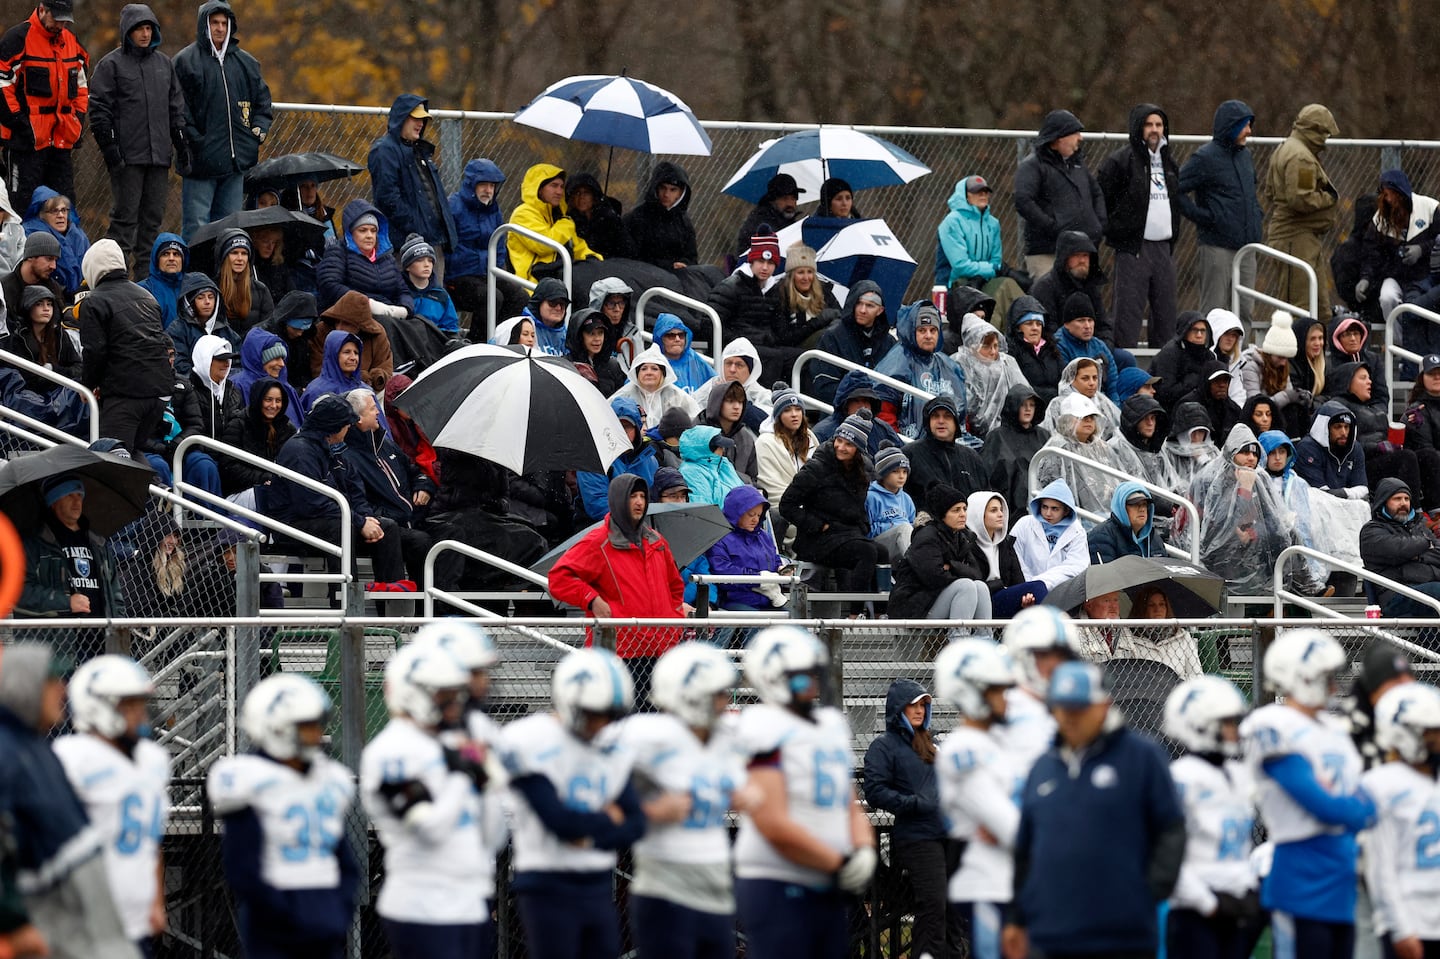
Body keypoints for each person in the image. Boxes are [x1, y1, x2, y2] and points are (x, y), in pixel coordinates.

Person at [1003, 659, 1185, 959]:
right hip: (1050, 934)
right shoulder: (1043, 767)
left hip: (1121, 936)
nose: (1069, 717)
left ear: (1103, 706)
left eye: (1079, 708)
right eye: (1062, 708)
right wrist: (1016, 918)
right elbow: (1026, 851)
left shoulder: (1142, 757)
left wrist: (1145, 893)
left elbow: (1171, 829)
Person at [499, 648, 672, 959]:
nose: (601, 724)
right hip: (546, 882)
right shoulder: (530, 739)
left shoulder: (612, 744)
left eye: (610, 714)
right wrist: (609, 819)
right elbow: (561, 824)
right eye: (595, 713)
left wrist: (591, 829)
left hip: (596, 882)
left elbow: (635, 823)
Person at [733, 626, 877, 958]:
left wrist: (863, 846)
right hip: (777, 879)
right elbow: (773, 823)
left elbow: (848, 799)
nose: (812, 679)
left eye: (814, 670)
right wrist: (837, 862)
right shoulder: (762, 725)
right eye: (802, 673)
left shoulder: (829, 723)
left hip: (824, 878)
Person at [1240, 629, 1376, 959]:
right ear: (1300, 676)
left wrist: (1352, 805)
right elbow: (1325, 805)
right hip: (1301, 872)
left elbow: (1367, 803)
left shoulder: (1335, 729)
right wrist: (1353, 807)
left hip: (1342, 872)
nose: (1333, 686)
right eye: (1325, 677)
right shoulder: (1271, 723)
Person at [0, 643, 139, 959]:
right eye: (51, 681)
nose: (62, 690)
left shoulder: (36, 746)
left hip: (83, 927)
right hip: (56, 928)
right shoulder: (7, 752)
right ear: (24, 687)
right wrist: (15, 922)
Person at [208, 674, 358, 959]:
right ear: (277, 728)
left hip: (323, 906)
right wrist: (282, 913)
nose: (317, 735)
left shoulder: (330, 777)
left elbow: (344, 857)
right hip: (275, 914)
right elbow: (242, 867)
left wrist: (339, 907)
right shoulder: (246, 778)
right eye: (307, 727)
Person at [359, 642, 494, 959]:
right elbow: (429, 827)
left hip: (468, 898)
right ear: (412, 692)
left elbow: (490, 823)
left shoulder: (449, 741)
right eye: (443, 693)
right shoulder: (390, 753)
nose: (454, 702)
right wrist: (464, 776)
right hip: (423, 904)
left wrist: (485, 780)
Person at [616, 644, 747, 959]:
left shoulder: (725, 736)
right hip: (666, 888)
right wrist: (649, 809)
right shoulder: (645, 736)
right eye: (717, 693)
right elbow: (602, 798)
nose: (725, 700)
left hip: (714, 887)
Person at [51, 656, 169, 957]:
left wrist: (156, 900)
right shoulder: (71, 758)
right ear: (97, 706)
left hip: (134, 922)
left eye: (139, 704)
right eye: (128, 705)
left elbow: (150, 842)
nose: (139, 714)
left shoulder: (152, 759)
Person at [547, 474, 688, 696]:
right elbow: (559, 578)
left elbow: (675, 587)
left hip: (660, 651)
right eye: (633, 496)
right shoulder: (597, 541)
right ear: (618, 499)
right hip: (620, 654)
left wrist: (673, 626)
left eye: (643, 496)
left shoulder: (657, 541)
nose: (640, 502)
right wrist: (591, 599)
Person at [933, 639, 1025, 959]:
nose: (1007, 699)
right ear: (973, 692)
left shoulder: (992, 743)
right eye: (998, 690)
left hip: (1007, 880)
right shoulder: (965, 749)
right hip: (986, 882)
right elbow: (1009, 826)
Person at [1162, 675, 1263, 959]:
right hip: (1195, 910)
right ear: (1201, 724)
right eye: (1228, 723)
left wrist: (1248, 887)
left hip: (1235, 905)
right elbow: (1167, 857)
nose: (1236, 731)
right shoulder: (1181, 777)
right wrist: (1208, 903)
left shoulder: (1237, 774)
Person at [864, 678, 963, 959]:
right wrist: (914, 803)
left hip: (948, 833)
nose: (919, 711)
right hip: (917, 837)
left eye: (923, 705)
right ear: (899, 709)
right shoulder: (883, 747)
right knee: (933, 903)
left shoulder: (930, 744)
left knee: (954, 906)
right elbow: (875, 791)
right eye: (913, 705)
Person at [269, 394, 410, 588]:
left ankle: (390, 601)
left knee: (385, 527)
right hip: (292, 526)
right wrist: (359, 521)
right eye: (346, 424)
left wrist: (367, 518)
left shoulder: (328, 448)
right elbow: (312, 504)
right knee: (342, 527)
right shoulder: (299, 451)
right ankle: (348, 599)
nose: (349, 428)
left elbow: (354, 491)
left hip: (328, 518)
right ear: (333, 426)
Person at [88, 3, 185, 278]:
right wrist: (111, 150)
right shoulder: (111, 64)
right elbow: (99, 111)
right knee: (123, 222)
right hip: (127, 159)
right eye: (138, 29)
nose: (144, 34)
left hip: (158, 159)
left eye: (148, 28)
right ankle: (112, 278)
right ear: (126, 32)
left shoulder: (164, 65)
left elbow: (176, 108)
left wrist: (181, 145)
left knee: (152, 223)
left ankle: (145, 282)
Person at [172, 0, 271, 239]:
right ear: (204, 25)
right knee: (196, 230)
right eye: (214, 22)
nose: (219, 28)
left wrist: (257, 131)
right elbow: (177, 108)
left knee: (229, 230)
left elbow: (262, 100)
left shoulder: (245, 62)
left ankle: (222, 278)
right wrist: (197, 142)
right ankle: (196, 277)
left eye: (224, 23)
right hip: (200, 164)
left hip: (235, 164)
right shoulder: (186, 61)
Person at [1363, 683, 1440, 959]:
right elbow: (1381, 866)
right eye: (1430, 732)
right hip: (1411, 918)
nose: (1437, 739)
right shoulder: (1382, 785)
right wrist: (1400, 927)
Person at [78, 239, 172, 457]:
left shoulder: (94, 301)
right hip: (158, 393)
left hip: (126, 394)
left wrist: (88, 385)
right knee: (131, 452)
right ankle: (158, 488)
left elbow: (95, 350)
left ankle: (155, 487)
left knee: (112, 458)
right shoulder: (146, 296)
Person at [1098, 103, 1181, 348]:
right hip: (1134, 248)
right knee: (1128, 310)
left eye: (1159, 124)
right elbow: (1101, 198)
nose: (1154, 130)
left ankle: (1164, 367)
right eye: (1148, 124)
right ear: (1138, 127)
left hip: (1164, 247)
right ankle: (1125, 364)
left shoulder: (1169, 162)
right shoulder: (1121, 161)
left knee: (1166, 310)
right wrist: (1117, 230)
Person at [779, 411, 880, 615]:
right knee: (866, 552)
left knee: (882, 552)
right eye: (839, 440)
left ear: (858, 449)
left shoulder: (862, 471)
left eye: (848, 444)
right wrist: (817, 525)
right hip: (816, 539)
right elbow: (786, 505)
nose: (841, 447)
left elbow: (858, 509)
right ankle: (854, 615)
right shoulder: (817, 468)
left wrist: (862, 528)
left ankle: (880, 612)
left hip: (846, 535)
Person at [1177, 100, 1262, 323]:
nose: (1249, 131)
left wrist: (1257, 215)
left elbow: (1251, 193)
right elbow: (1175, 189)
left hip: (1247, 247)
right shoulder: (1204, 158)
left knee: (1244, 310)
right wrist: (1205, 218)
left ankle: (1240, 357)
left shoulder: (1246, 155)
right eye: (1244, 125)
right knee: (1214, 311)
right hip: (1217, 247)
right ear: (1231, 126)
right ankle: (1209, 357)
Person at [0, 0, 88, 213]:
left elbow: (82, 87)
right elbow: (3, 84)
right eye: (56, 18)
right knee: (21, 205)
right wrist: (21, 124)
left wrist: (76, 120)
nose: (60, 25)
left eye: (64, 20)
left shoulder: (72, 42)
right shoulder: (17, 39)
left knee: (64, 205)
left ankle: (67, 246)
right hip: (25, 144)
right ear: (42, 10)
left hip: (60, 141)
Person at [342, 388, 435, 583]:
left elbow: (415, 471)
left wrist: (423, 486)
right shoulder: (348, 456)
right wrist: (392, 515)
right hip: (383, 526)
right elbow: (359, 501)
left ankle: (435, 608)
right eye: (372, 408)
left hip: (412, 519)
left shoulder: (386, 444)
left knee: (448, 533)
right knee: (420, 541)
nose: (378, 412)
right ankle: (401, 605)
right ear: (358, 418)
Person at [367, 95, 457, 280]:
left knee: (433, 300)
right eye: (415, 118)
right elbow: (387, 198)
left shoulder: (419, 151)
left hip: (432, 241)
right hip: (406, 245)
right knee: (411, 301)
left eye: (423, 119)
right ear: (401, 117)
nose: (421, 124)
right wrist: (415, 229)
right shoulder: (385, 150)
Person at [888, 483, 993, 637]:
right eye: (956, 510)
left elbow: (977, 573)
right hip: (914, 607)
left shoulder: (960, 536)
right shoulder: (927, 536)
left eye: (964, 508)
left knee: (980, 587)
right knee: (966, 585)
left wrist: (950, 566)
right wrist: (959, 570)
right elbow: (934, 578)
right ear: (942, 514)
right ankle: (959, 640)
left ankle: (985, 639)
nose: (963, 514)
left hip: (935, 599)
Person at [1265, 104, 1340, 317]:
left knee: (1320, 308)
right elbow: (1300, 199)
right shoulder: (1301, 157)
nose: (1325, 140)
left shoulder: (1286, 147)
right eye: (1324, 134)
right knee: (1297, 308)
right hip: (1294, 239)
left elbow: (1271, 193)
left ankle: (1317, 349)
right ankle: (1294, 350)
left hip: (1302, 239)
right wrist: (1328, 198)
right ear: (1314, 131)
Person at [1013, 110, 1106, 280]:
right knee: (1048, 303)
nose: (1080, 138)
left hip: (1081, 252)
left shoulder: (1077, 165)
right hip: (1047, 253)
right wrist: (1053, 228)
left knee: (1082, 303)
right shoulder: (1033, 165)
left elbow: (1096, 193)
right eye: (1075, 133)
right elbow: (1023, 200)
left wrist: (1098, 225)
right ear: (1059, 137)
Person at [1328, 361, 1422, 500]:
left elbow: (1389, 439)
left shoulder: (1373, 407)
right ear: (1347, 381)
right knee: (1406, 457)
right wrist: (1376, 447)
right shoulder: (1338, 407)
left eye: (1369, 378)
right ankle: (1414, 509)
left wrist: (1407, 422)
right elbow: (1342, 443)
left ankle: (1429, 509)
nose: (1369, 382)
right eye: (1363, 378)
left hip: (1381, 461)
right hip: (1359, 467)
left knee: (1423, 455)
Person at [876, 300, 970, 441]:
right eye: (922, 330)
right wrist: (897, 444)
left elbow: (962, 412)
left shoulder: (950, 365)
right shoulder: (897, 362)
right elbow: (884, 412)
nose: (928, 335)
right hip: (908, 446)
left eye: (933, 330)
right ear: (912, 332)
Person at [1357, 169, 1440, 322]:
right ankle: (1395, 343)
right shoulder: (1380, 220)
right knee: (1388, 298)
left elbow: (1438, 239)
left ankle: (1416, 344)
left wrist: (1421, 249)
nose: (1387, 200)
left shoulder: (1430, 208)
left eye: (1389, 194)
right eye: (1384, 195)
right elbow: (1371, 254)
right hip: (1396, 276)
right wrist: (1365, 278)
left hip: (1426, 277)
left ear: (1399, 192)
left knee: (1422, 305)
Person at [1034, 392, 1126, 517]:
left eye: (1092, 417)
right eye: (1082, 417)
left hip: (1108, 512)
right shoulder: (1057, 449)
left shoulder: (1102, 447)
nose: (1089, 420)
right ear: (1066, 420)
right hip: (1075, 516)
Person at [506, 163, 601, 283]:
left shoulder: (557, 216)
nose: (559, 192)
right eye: (554, 186)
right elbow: (544, 245)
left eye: (562, 187)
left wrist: (593, 259)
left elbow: (576, 246)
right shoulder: (523, 213)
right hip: (533, 282)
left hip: (558, 277)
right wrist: (566, 224)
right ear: (539, 189)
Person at [317, 199, 413, 317]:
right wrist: (367, 304)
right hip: (352, 315)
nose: (369, 235)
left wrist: (404, 309)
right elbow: (329, 284)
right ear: (351, 233)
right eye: (363, 230)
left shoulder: (388, 259)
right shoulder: (338, 252)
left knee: (422, 326)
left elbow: (403, 291)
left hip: (389, 314)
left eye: (373, 231)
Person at [1361, 478, 1440, 617]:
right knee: (1436, 590)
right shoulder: (1371, 531)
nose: (1403, 503)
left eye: (1406, 499)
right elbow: (1396, 550)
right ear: (1384, 501)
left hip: (1425, 594)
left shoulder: (1419, 527)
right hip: (1395, 597)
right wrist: (1426, 544)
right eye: (1397, 499)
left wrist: (1417, 555)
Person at [808, 280, 895, 405]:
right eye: (859, 303)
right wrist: (856, 401)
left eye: (870, 305)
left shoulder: (889, 343)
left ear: (880, 310)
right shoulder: (832, 337)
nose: (863, 310)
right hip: (839, 411)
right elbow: (823, 384)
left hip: (879, 413)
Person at [707, 484, 788, 610]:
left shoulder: (763, 536)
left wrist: (780, 568)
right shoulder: (720, 538)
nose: (755, 520)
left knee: (793, 625)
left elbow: (774, 558)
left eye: (759, 515)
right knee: (756, 626)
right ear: (737, 512)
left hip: (768, 601)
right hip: (736, 600)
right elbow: (722, 570)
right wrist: (757, 579)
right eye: (751, 514)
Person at [763, 243, 838, 375]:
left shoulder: (824, 291)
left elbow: (840, 314)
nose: (806, 278)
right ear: (791, 275)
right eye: (800, 272)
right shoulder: (780, 295)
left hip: (825, 346)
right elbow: (783, 337)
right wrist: (817, 322)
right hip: (795, 350)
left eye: (810, 272)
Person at [444, 158, 507, 315]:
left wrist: (496, 270)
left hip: (487, 273)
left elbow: (500, 247)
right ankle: (477, 339)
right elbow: (444, 246)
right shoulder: (454, 206)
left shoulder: (494, 210)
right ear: (472, 185)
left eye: (492, 186)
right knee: (491, 298)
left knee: (518, 296)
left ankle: (503, 338)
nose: (488, 190)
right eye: (483, 184)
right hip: (459, 276)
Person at [1009, 478, 1089, 594]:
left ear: (1066, 511)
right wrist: (1028, 587)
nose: (1048, 513)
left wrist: (1040, 584)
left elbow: (1075, 567)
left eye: (1054, 509)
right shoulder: (1024, 524)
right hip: (1023, 589)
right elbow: (1014, 557)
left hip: (1061, 594)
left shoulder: (1077, 532)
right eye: (1044, 507)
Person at [902, 393, 987, 501]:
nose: (941, 421)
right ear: (928, 422)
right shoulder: (909, 454)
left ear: (955, 422)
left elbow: (984, 498)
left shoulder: (972, 457)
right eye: (935, 416)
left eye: (947, 416)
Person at [1029, 230, 1110, 343]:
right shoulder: (1045, 288)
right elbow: (1048, 330)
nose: (1082, 260)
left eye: (1085, 255)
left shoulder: (1092, 287)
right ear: (1064, 258)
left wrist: (1103, 349)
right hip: (1059, 350)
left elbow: (1104, 327)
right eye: (1076, 255)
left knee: (1125, 358)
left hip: (1093, 348)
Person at [955, 314, 1026, 438]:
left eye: (996, 346)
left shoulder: (1007, 363)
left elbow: (1024, 394)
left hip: (1008, 432)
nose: (993, 352)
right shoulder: (960, 364)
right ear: (972, 346)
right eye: (986, 346)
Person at [708, 229, 781, 349]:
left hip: (763, 346)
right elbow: (709, 325)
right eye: (761, 261)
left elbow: (778, 329)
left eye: (770, 263)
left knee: (799, 358)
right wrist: (740, 342)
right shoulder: (730, 287)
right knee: (773, 357)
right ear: (751, 261)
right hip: (734, 349)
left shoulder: (774, 291)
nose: (765, 267)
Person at [0, 283, 79, 391]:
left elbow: (78, 367)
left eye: (50, 304)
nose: (46, 309)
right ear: (28, 306)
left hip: (63, 395)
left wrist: (53, 370)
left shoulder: (60, 335)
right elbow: (27, 377)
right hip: (30, 399)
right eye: (39, 304)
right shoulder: (18, 338)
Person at [623, 161, 698, 271]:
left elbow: (692, 257)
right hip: (643, 278)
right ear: (656, 188)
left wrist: (684, 264)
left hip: (678, 278)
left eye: (673, 190)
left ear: (681, 193)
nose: (666, 194)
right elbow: (631, 258)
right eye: (663, 188)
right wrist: (668, 266)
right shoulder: (637, 218)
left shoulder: (683, 222)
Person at [312, 291, 394, 393]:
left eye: (346, 323)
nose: (339, 327)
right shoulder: (322, 331)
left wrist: (377, 377)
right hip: (329, 390)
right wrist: (357, 377)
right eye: (337, 321)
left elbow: (385, 366)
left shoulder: (377, 334)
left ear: (360, 326)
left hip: (371, 392)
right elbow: (318, 369)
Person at [814, 370, 906, 457]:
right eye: (857, 401)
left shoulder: (883, 429)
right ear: (845, 405)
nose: (863, 406)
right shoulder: (822, 433)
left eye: (866, 400)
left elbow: (902, 459)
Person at [756, 382, 816, 512]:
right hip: (782, 508)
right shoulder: (765, 442)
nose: (794, 414)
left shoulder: (810, 437)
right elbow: (771, 487)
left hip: (812, 505)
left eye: (798, 409)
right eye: (787, 410)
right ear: (778, 416)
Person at [1233, 314, 1305, 419]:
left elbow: (1288, 393)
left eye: (1286, 358)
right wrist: (1287, 396)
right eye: (1280, 357)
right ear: (1269, 353)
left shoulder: (1281, 366)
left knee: (1294, 407)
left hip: (1274, 417)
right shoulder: (1250, 366)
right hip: (1256, 419)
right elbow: (1256, 404)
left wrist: (1300, 396)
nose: (1283, 363)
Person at [1052, 292, 1121, 402]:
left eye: (1090, 320)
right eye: (1081, 321)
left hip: (1102, 402)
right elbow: (1067, 387)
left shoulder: (1100, 346)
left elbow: (1113, 385)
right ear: (1067, 324)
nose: (1087, 326)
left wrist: (1115, 410)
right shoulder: (1057, 346)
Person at [1294, 400, 1368, 501]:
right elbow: (1320, 495)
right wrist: (1349, 493)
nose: (1344, 433)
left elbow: (1363, 489)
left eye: (1346, 427)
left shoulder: (1355, 448)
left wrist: (1342, 494)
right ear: (1324, 428)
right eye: (1337, 427)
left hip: (1349, 509)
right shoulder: (1307, 449)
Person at [21, 187, 86, 297]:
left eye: (64, 210)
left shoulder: (79, 236)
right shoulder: (32, 234)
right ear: (41, 215)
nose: (60, 215)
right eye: (54, 211)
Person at [611, 344, 699, 424]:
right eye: (644, 369)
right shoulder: (625, 395)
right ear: (637, 373)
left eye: (654, 369)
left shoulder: (678, 397)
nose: (649, 373)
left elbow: (695, 422)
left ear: (663, 373)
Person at [1039, 356, 1122, 441]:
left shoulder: (1103, 402)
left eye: (1095, 378)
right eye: (1085, 378)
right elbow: (1051, 436)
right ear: (1071, 380)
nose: (1092, 383)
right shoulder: (1058, 404)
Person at [211, 228, 273, 334]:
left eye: (244, 253)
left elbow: (269, 326)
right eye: (234, 253)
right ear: (224, 257)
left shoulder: (260, 290)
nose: (240, 258)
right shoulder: (212, 289)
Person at [1007, 296, 1064, 407]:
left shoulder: (1053, 349)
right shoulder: (1011, 352)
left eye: (1038, 324)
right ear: (1018, 328)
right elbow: (1018, 387)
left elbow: (1064, 383)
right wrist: (1051, 395)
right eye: (1029, 323)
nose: (1035, 328)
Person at [398, 233, 459, 336]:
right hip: (408, 341)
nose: (426, 265)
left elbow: (450, 327)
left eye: (430, 261)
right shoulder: (399, 292)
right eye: (419, 260)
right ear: (407, 266)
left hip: (437, 343)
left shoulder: (441, 294)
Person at [1089, 482, 1166, 562]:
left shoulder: (1154, 538)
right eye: (1135, 504)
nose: (1142, 509)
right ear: (1121, 508)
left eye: (1144, 504)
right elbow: (1102, 573)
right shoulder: (1101, 536)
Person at [731, 173, 805, 256]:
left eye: (793, 199)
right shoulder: (759, 221)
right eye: (785, 199)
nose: (790, 204)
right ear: (773, 200)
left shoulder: (788, 221)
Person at [1112, 393, 1173, 492]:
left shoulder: (1156, 447)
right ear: (1133, 421)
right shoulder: (1116, 448)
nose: (1150, 423)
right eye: (1145, 418)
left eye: (1153, 418)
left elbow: (1171, 481)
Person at [866, 444, 916, 564]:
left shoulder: (906, 499)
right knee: (903, 528)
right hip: (877, 547)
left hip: (901, 547)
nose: (901, 476)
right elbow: (866, 531)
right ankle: (919, 569)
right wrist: (893, 525)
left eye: (904, 472)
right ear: (883, 473)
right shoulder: (870, 497)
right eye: (895, 471)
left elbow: (911, 527)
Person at [563, 172, 628, 261]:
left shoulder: (609, 220)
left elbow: (625, 249)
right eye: (577, 193)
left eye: (586, 193)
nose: (581, 197)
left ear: (594, 196)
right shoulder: (568, 221)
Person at [1404, 353, 1440, 512]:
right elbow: (1427, 450)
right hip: (1428, 469)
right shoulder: (1416, 411)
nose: (1437, 377)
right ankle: (1435, 512)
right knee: (1429, 456)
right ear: (1422, 378)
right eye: (1432, 374)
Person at [1163, 401, 1220, 496]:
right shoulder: (1167, 452)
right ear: (1182, 433)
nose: (1197, 438)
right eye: (1192, 433)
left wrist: (1203, 460)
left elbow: (1217, 483)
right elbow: (1168, 484)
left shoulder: (1213, 452)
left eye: (1201, 432)